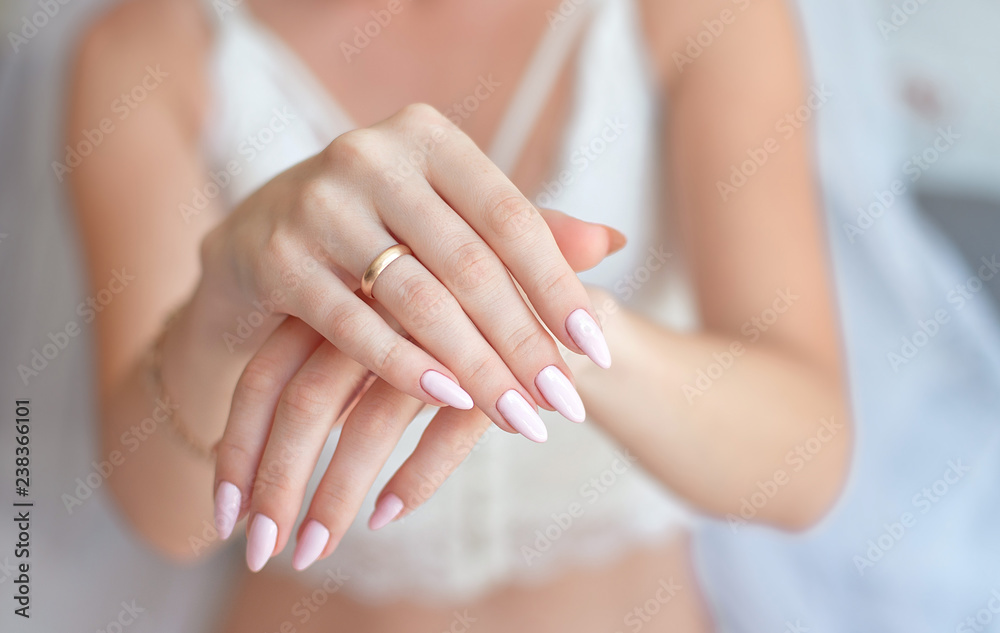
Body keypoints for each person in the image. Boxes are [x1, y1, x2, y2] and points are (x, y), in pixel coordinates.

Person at [64, 0, 850, 630]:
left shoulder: (702, 14)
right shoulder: (144, 55)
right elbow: (167, 518)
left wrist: (557, 333)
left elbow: (807, 461)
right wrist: (222, 307)